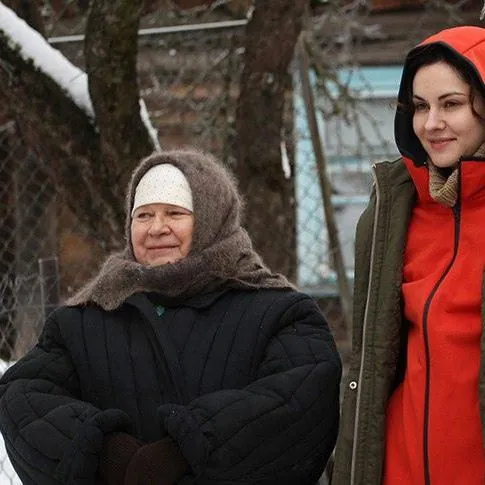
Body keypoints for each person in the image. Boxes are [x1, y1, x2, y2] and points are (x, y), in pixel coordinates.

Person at [0, 149, 342, 485]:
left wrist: (185, 449)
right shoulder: (85, 318)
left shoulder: (280, 312)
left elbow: (299, 401)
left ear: (211, 220)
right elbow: (24, 396)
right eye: (143, 215)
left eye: (174, 213)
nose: (156, 228)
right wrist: (106, 452)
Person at [331, 25, 485, 485]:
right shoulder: (395, 205)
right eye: (420, 106)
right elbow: (373, 363)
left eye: (451, 104)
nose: (431, 123)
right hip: (399, 468)